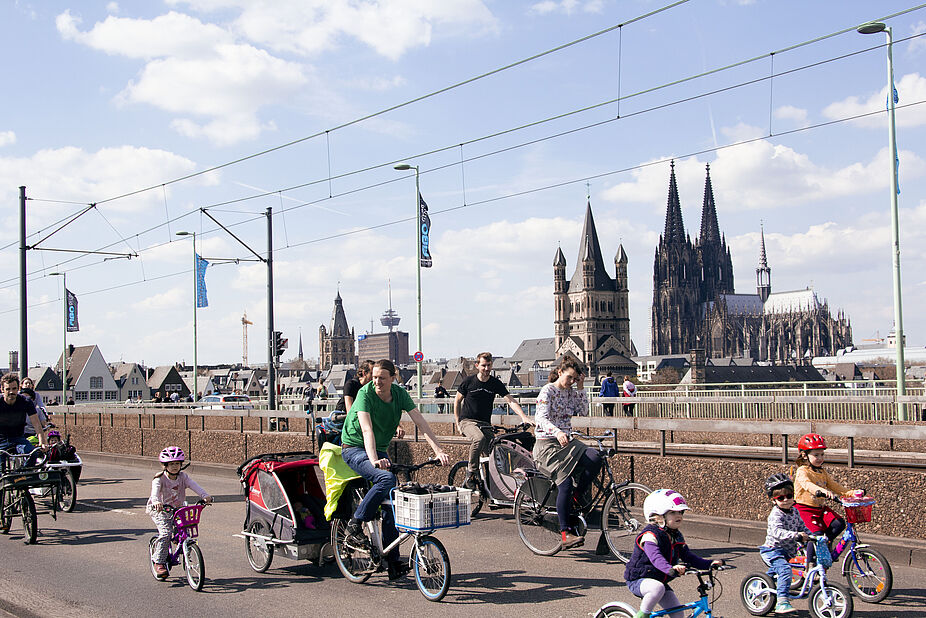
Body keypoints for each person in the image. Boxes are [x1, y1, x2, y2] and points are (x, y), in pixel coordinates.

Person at [339, 359, 450, 581]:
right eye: (374, 377)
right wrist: (374, 460)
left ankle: (392, 561)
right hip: (354, 447)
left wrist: (438, 450)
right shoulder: (364, 394)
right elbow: (367, 429)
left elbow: (420, 422)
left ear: (393, 378)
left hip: (379, 448)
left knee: (394, 500)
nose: (376, 381)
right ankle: (355, 523)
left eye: (382, 378)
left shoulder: (399, 395)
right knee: (385, 479)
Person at [532, 356, 601, 549]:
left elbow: (584, 411)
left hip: (566, 442)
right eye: (569, 377)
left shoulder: (571, 392)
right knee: (565, 483)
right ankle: (565, 533)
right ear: (560, 372)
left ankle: (577, 496)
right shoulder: (548, 391)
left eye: (575, 379)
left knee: (595, 458)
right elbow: (541, 419)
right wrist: (557, 432)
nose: (571, 381)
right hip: (547, 445)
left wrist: (581, 387)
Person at [623, 489, 724, 618]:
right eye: (672, 512)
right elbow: (655, 557)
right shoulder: (650, 535)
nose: (678, 515)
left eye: (680, 512)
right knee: (657, 588)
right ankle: (642, 616)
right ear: (658, 516)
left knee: (678, 614)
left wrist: (710, 564)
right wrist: (670, 568)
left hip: (660, 580)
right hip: (639, 579)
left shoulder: (676, 536)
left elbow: (689, 557)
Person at [454, 352, 532, 488]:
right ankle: (471, 472)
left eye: (489, 365)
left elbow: (510, 401)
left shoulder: (495, 383)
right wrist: (458, 423)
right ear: (477, 365)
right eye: (483, 365)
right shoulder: (469, 381)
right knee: (478, 439)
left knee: (496, 453)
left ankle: (495, 489)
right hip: (468, 421)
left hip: (485, 424)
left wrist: (523, 416)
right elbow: (457, 401)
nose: (486, 368)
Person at [146, 446, 213, 579]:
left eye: (177, 463)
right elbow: (155, 492)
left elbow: (194, 485)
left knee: (184, 530)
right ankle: (159, 562)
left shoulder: (183, 477)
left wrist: (205, 496)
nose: (174, 467)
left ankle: (180, 544)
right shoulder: (159, 478)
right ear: (165, 465)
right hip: (161, 510)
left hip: (177, 510)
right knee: (166, 533)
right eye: (171, 464)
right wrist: (156, 501)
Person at [792, 433, 862, 560]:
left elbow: (834, 486)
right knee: (816, 535)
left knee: (839, 523)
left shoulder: (821, 471)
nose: (820, 458)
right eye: (816, 455)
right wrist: (821, 491)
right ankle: (811, 563)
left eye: (822, 454)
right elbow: (807, 484)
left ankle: (824, 545)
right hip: (804, 509)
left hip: (819, 509)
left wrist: (851, 493)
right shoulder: (802, 471)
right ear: (804, 455)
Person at [759, 474, 810, 615]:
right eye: (781, 498)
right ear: (773, 500)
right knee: (785, 570)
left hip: (787, 551)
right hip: (772, 550)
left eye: (789, 496)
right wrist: (796, 535)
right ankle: (782, 602)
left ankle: (760, 585)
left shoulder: (795, 511)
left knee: (775, 573)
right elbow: (777, 532)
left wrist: (813, 536)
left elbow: (802, 526)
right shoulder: (776, 514)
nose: (786, 500)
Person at [0, 373, 48, 462]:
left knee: (33, 454)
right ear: (2, 390)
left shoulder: (26, 401)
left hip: (18, 438)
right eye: (8, 389)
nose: (11, 392)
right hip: (1, 439)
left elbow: (37, 424)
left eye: (14, 389)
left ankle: (23, 471)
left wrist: (42, 442)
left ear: (18, 388)